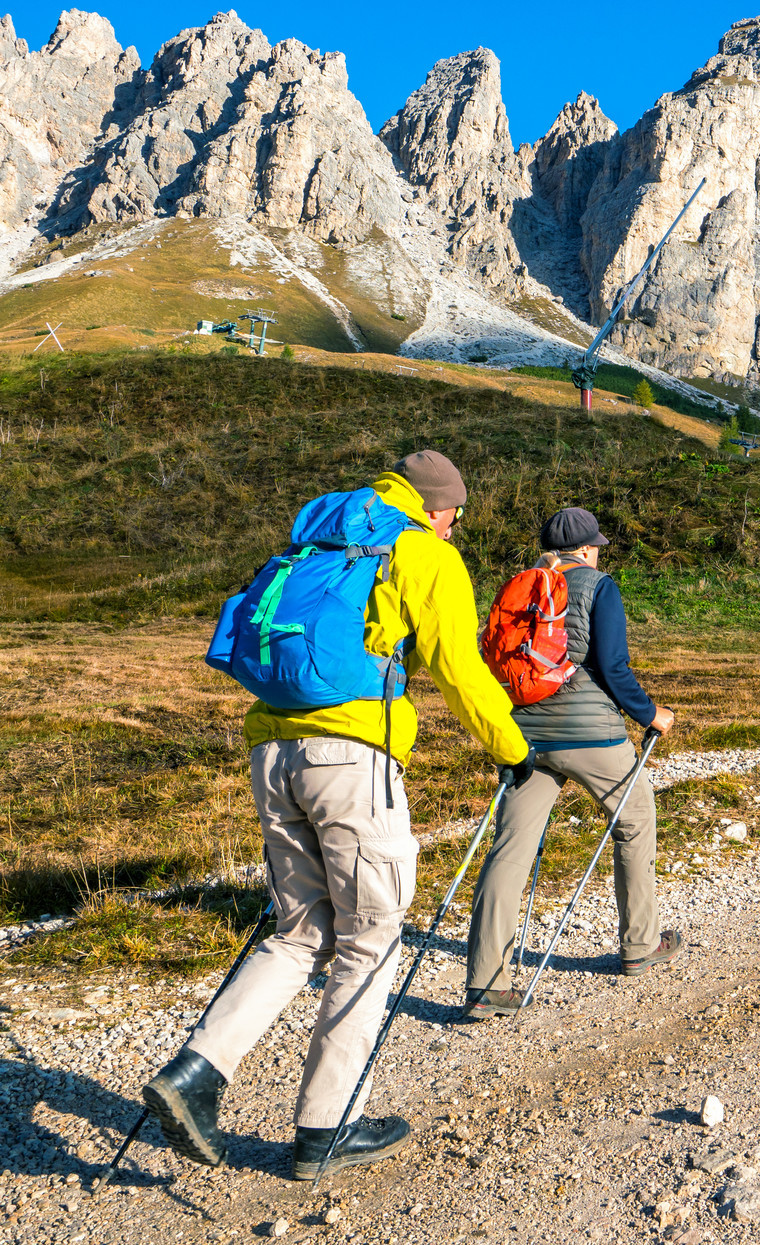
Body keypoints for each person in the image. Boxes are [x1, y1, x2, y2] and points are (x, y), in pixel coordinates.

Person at [141, 450, 532, 1180]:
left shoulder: (320, 538)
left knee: (300, 930)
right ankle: (328, 1124)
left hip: (274, 750)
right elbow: (458, 666)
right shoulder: (425, 554)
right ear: (441, 509)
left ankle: (196, 1074)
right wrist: (514, 749)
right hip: (352, 759)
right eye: (455, 516)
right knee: (371, 931)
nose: (452, 527)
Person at [465, 506, 678, 1019]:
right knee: (635, 819)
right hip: (589, 734)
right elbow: (612, 665)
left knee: (510, 846)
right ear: (585, 550)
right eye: (596, 546)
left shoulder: (524, 584)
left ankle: (485, 983)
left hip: (524, 733)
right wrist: (651, 714)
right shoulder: (599, 586)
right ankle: (640, 945)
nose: (599, 552)